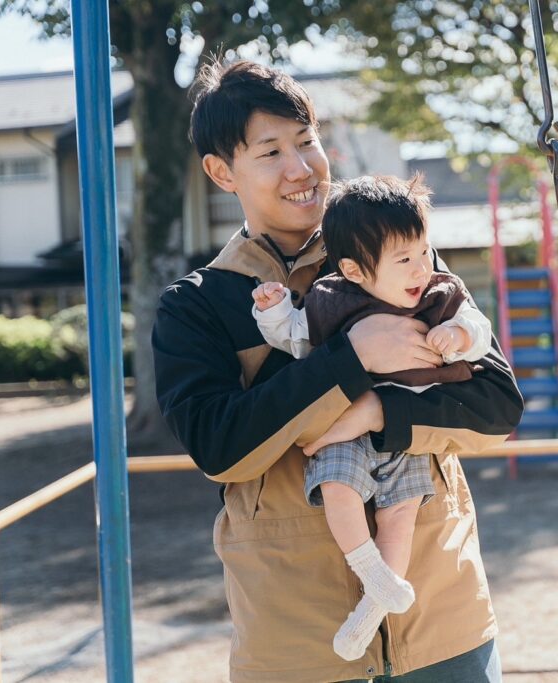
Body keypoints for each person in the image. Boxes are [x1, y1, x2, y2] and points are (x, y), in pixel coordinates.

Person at [152, 60, 522, 682]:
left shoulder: (403, 259)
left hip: (444, 620)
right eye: (270, 151)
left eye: (307, 142)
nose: (301, 169)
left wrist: (380, 410)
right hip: (298, 643)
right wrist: (352, 359)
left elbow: (496, 409)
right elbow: (222, 449)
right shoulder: (196, 305)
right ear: (221, 172)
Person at [250, 173, 493, 661]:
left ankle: (375, 605)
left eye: (424, 250)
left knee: (399, 515)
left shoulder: (440, 293)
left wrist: (462, 336)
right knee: (338, 491)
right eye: (403, 259)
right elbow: (296, 338)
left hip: (406, 430)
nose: (421, 268)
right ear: (355, 271)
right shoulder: (328, 299)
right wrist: (273, 312)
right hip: (340, 424)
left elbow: (478, 326)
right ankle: (374, 575)